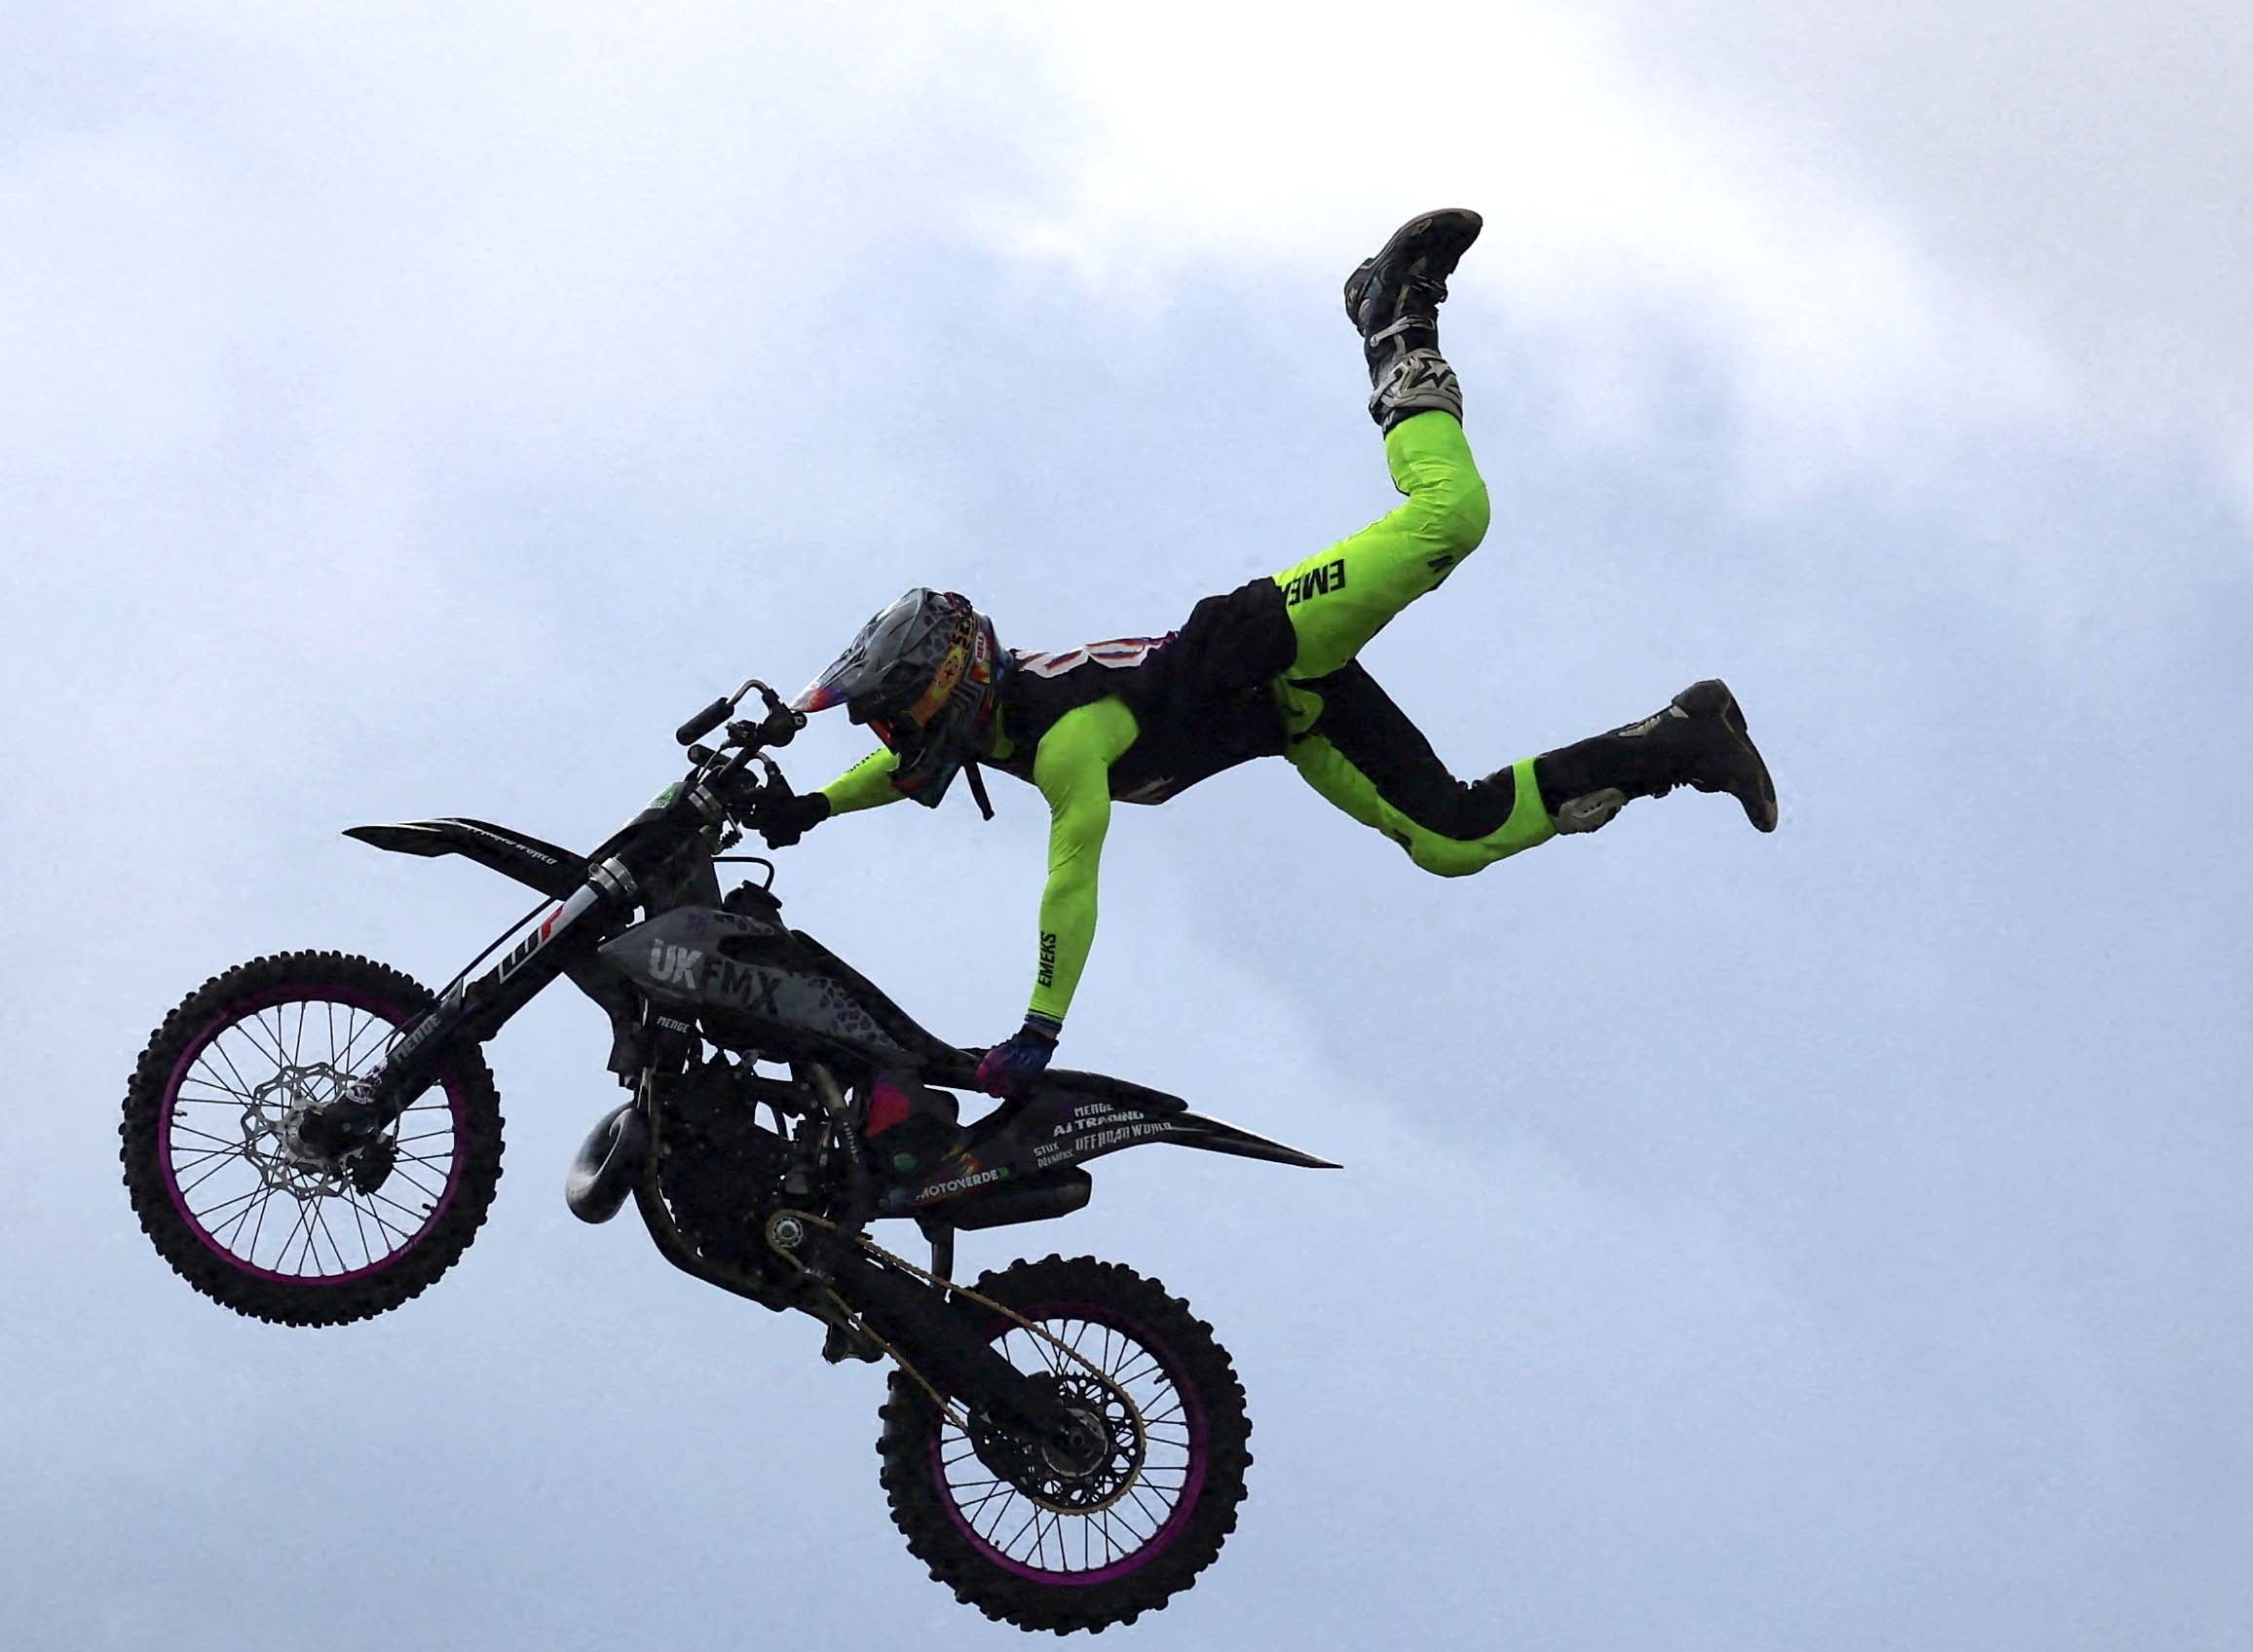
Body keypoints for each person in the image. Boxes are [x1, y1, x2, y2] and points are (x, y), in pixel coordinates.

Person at [745, 210, 1776, 1128]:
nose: (895, 745)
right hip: (1296, 718)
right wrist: (818, 809)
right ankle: (1677, 739)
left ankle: (1391, 327)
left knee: (1450, 519)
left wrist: (1038, 1026)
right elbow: (903, 766)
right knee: (1453, 841)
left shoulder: (1063, 743)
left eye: (898, 721)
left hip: (1265, 640)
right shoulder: (996, 724)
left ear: (946, 696)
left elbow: (1071, 875)